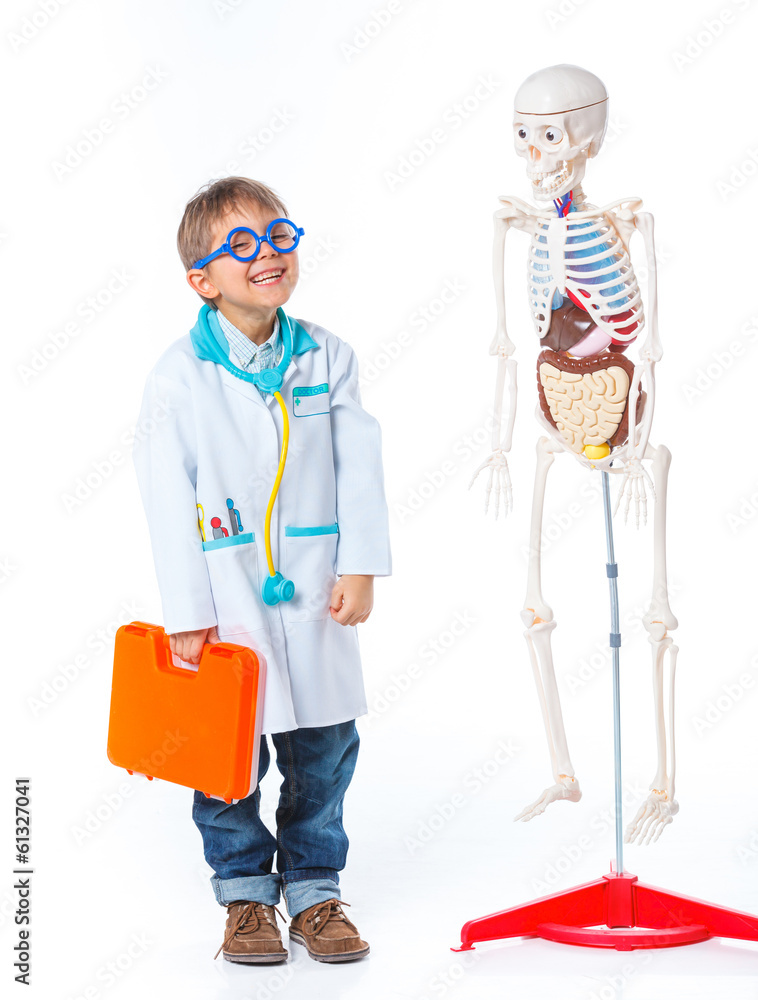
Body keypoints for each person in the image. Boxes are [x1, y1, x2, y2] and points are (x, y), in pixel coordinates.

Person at [132, 176, 391, 964]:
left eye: (279, 236)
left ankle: (314, 890)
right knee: (225, 758)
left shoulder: (327, 357)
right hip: (226, 595)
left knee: (324, 750)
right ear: (202, 281)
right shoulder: (178, 377)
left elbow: (358, 465)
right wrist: (188, 611)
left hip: (315, 589)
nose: (268, 254)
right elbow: (165, 498)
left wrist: (360, 565)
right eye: (240, 245)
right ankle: (245, 895)